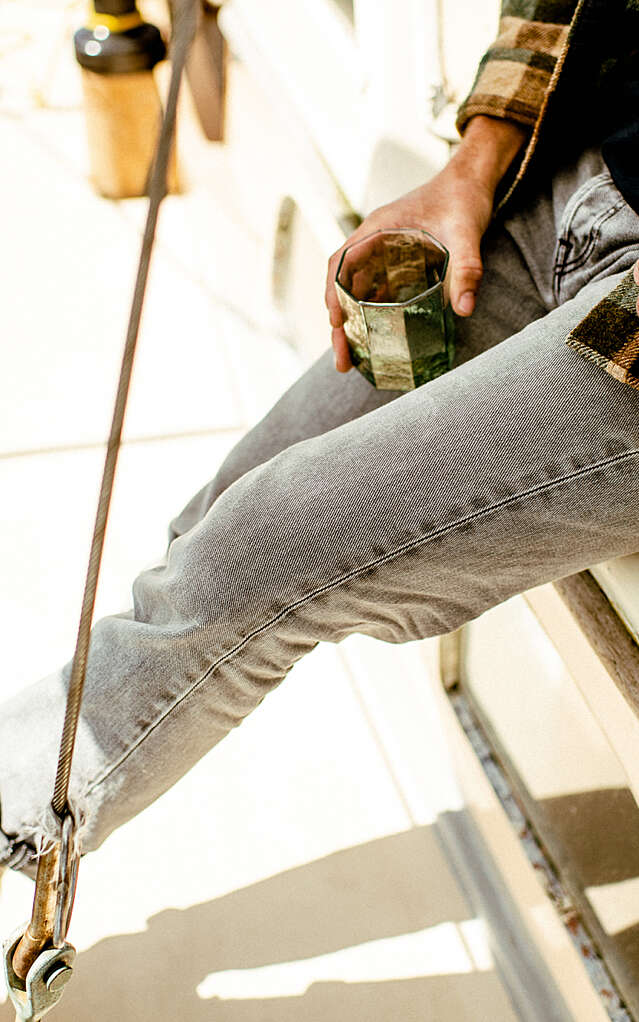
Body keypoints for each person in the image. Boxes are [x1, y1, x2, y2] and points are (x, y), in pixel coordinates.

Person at [2, 0, 639, 875]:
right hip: (571, 185)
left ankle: (19, 822)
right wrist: (474, 162)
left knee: (250, 555)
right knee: (215, 522)